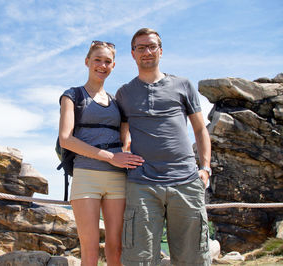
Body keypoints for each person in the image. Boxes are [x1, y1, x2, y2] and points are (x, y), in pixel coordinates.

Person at [116, 28, 212, 266]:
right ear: (133, 54)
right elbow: (123, 133)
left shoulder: (183, 85)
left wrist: (206, 167)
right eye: (141, 48)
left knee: (193, 258)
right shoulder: (124, 93)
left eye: (151, 46)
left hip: (187, 180)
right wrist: (124, 154)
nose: (146, 52)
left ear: (160, 51)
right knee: (138, 258)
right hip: (142, 185)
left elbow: (200, 129)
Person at [58, 41, 144, 266]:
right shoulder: (72, 96)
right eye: (97, 60)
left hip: (117, 180)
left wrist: (126, 152)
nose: (102, 65)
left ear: (113, 65)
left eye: (107, 61)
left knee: (116, 249)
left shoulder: (117, 102)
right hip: (86, 176)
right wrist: (111, 157)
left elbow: (126, 136)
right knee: (90, 249)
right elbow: (66, 139)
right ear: (87, 61)